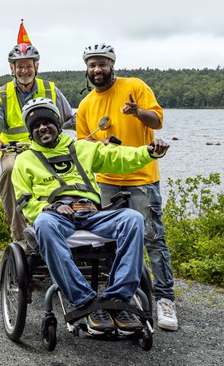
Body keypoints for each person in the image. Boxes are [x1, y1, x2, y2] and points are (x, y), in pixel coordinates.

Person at [12, 98, 170, 336]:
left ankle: (118, 299)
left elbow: (119, 157)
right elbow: (24, 201)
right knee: (44, 223)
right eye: (36, 125)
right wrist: (49, 208)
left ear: (56, 122)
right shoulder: (24, 160)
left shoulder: (84, 148)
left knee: (132, 219)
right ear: (31, 131)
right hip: (56, 216)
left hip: (92, 213)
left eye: (47, 122)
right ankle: (84, 301)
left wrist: (148, 152)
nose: (42, 127)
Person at [75, 43, 178, 331]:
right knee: (111, 242)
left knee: (153, 237)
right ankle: (123, 292)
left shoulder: (135, 86)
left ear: (112, 65)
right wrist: (101, 144)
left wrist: (137, 113)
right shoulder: (85, 105)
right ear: (87, 68)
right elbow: (84, 145)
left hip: (142, 178)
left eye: (102, 64)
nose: (97, 69)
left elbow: (156, 120)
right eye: (92, 64)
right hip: (106, 181)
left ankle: (165, 298)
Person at [0, 43, 75, 245]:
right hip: (14, 150)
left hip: (48, 147)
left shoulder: (50, 89)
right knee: (9, 171)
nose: (24, 70)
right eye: (19, 66)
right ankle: (19, 235)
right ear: (12, 69)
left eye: (28, 66)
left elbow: (70, 118)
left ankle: (69, 226)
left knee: (72, 170)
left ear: (36, 66)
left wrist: (95, 130)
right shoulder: (1, 94)